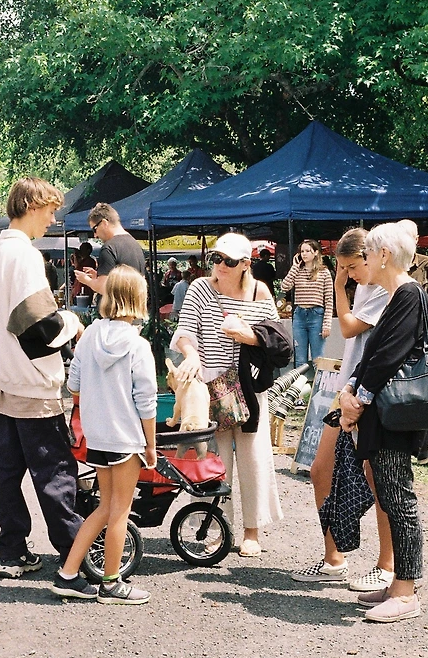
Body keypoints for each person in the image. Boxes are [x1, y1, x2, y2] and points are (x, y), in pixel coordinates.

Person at [0, 177, 85, 579]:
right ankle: (74, 558)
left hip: (4, 382)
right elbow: (41, 329)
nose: (52, 220)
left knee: (9, 475)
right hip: (34, 385)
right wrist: (72, 322)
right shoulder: (26, 256)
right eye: (50, 211)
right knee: (55, 475)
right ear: (33, 206)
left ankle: (13, 552)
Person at [336, 222, 428, 623]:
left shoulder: (407, 295)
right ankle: (397, 585)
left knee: (398, 498)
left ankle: (406, 592)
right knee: (392, 497)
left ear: (384, 256)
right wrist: (351, 389)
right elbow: (373, 356)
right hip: (385, 413)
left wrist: (355, 401)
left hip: (396, 416)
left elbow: (388, 358)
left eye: (369, 253)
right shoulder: (398, 296)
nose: (364, 260)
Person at [291, 228, 396, 593]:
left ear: (372, 258)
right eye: (344, 269)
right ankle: (334, 559)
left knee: (377, 477)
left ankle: (387, 565)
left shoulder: (385, 289)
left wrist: (338, 287)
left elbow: (349, 328)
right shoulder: (365, 286)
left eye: (352, 267)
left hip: (370, 393)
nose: (349, 274)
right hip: (347, 390)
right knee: (320, 469)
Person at [170, 232, 281, 557]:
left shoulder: (261, 292)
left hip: (248, 385)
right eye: (216, 258)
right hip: (209, 388)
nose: (220, 265)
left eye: (228, 261)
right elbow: (184, 332)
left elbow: (275, 340)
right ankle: (218, 528)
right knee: (214, 460)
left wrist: (247, 336)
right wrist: (191, 354)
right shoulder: (200, 288)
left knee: (253, 458)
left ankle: (252, 531)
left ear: (245, 264)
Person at [54, 265, 156, 604]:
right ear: (138, 299)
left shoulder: (88, 337)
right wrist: (151, 446)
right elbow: (146, 402)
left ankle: (68, 573)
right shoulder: (138, 346)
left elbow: (74, 386)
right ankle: (111, 584)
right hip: (127, 438)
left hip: (97, 437)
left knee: (103, 509)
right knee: (119, 512)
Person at [399, 220, 428, 466]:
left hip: (421, 334)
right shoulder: (390, 263)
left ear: (417, 239)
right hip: (397, 335)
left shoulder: (426, 264)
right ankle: (403, 442)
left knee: (425, 386)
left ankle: (425, 446)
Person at [280, 239, 334, 365]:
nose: (304, 254)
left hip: (317, 315)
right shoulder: (297, 271)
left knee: (318, 359)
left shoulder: (324, 272)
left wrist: (327, 324)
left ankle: (319, 379)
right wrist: (294, 267)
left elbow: (329, 299)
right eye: (302, 251)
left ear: (315, 252)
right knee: (300, 359)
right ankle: (300, 379)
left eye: (307, 251)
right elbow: (284, 287)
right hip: (299, 314)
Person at [75, 203, 146, 296]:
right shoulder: (135, 245)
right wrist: (97, 276)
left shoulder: (109, 248)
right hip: (134, 303)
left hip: (116, 304)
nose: (95, 235)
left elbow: (104, 288)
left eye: (94, 229)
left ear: (104, 223)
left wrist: (86, 280)